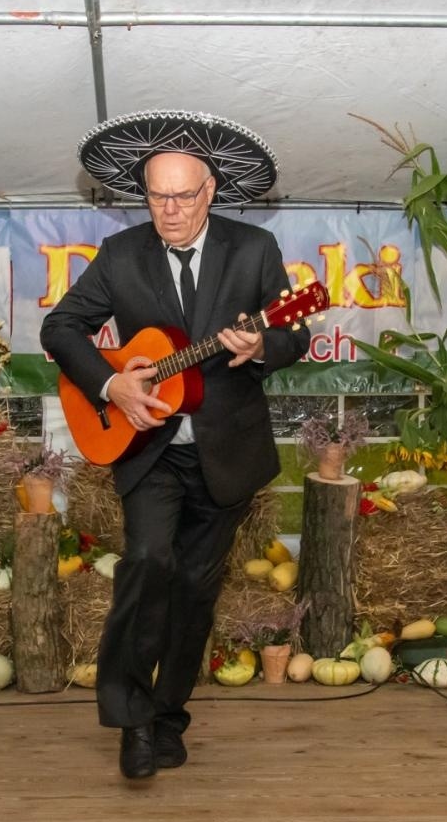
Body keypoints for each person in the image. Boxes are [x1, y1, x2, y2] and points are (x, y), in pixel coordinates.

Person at [42, 110, 309, 779]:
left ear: (210, 189)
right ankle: (132, 720)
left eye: (183, 195)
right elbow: (61, 328)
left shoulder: (252, 250)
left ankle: (168, 713)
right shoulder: (122, 255)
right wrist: (109, 386)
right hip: (149, 448)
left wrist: (261, 346)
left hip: (226, 452)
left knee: (195, 588)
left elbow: (294, 334)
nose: (169, 209)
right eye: (156, 195)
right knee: (147, 562)